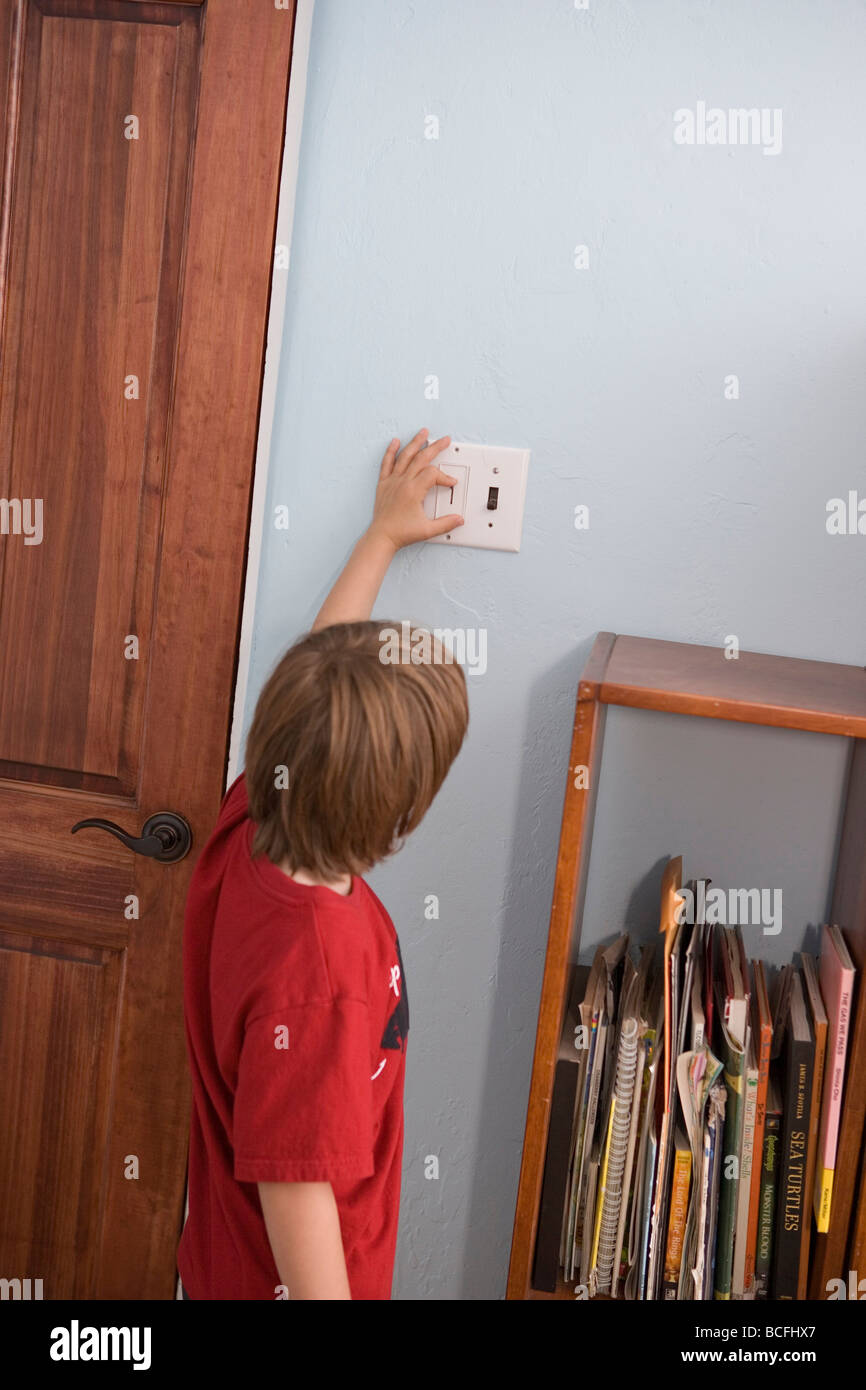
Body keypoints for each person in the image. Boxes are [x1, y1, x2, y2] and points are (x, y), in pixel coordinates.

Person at [176, 429, 469, 1298]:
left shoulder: (254, 821)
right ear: (398, 811)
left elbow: (323, 668)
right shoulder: (319, 980)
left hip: (218, 1267)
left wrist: (378, 538)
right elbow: (299, 1202)